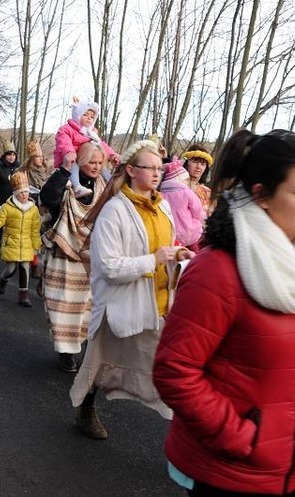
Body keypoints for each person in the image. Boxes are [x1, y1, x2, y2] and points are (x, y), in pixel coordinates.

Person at [153, 130, 295, 497]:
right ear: (260, 195)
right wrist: (244, 438)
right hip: (233, 475)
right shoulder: (218, 272)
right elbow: (174, 372)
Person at [68, 139, 193, 440]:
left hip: (159, 302)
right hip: (121, 307)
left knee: (167, 368)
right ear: (131, 170)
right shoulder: (114, 212)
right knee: (99, 365)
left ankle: (186, 430)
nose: (156, 174)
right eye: (148, 168)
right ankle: (86, 408)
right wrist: (154, 259)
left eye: (159, 169)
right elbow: (109, 267)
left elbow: (165, 246)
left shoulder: (162, 206)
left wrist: (178, 254)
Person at [39, 142, 108, 372]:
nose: (96, 167)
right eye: (91, 162)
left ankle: (82, 348)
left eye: (100, 162)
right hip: (64, 255)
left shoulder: (104, 186)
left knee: (85, 308)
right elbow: (47, 198)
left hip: (89, 257)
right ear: (80, 161)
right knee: (63, 307)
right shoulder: (67, 181)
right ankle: (65, 353)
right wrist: (64, 171)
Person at [0, 171, 41, 307]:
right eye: (21, 193)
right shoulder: (7, 207)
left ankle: (23, 296)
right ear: (15, 194)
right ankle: (3, 279)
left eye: (26, 192)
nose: (24, 195)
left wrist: (36, 244)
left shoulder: (33, 209)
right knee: (11, 269)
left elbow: (35, 228)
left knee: (25, 269)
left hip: (26, 244)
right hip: (11, 242)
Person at [54, 98, 120, 198]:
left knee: (102, 167)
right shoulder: (67, 129)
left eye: (92, 117)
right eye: (85, 115)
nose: (89, 118)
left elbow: (101, 144)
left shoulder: (91, 133)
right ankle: (77, 187)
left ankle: (111, 184)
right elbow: (64, 141)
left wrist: (111, 155)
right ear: (78, 115)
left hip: (85, 156)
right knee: (74, 164)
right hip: (70, 158)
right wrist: (69, 152)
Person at [158, 161, 205, 251]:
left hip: (169, 234)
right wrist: (201, 220)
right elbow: (197, 211)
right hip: (188, 232)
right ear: (183, 180)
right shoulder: (187, 192)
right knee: (194, 253)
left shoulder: (160, 194)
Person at [0, 141, 19, 255]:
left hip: (14, 201)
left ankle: (9, 246)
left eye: (13, 155)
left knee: (12, 225)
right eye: (9, 155)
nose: (11, 157)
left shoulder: (18, 168)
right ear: (4, 155)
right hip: (0, 200)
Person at [181, 143, 213, 214]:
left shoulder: (207, 193)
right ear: (187, 163)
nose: (198, 167)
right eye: (195, 162)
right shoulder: (176, 185)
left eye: (203, 164)